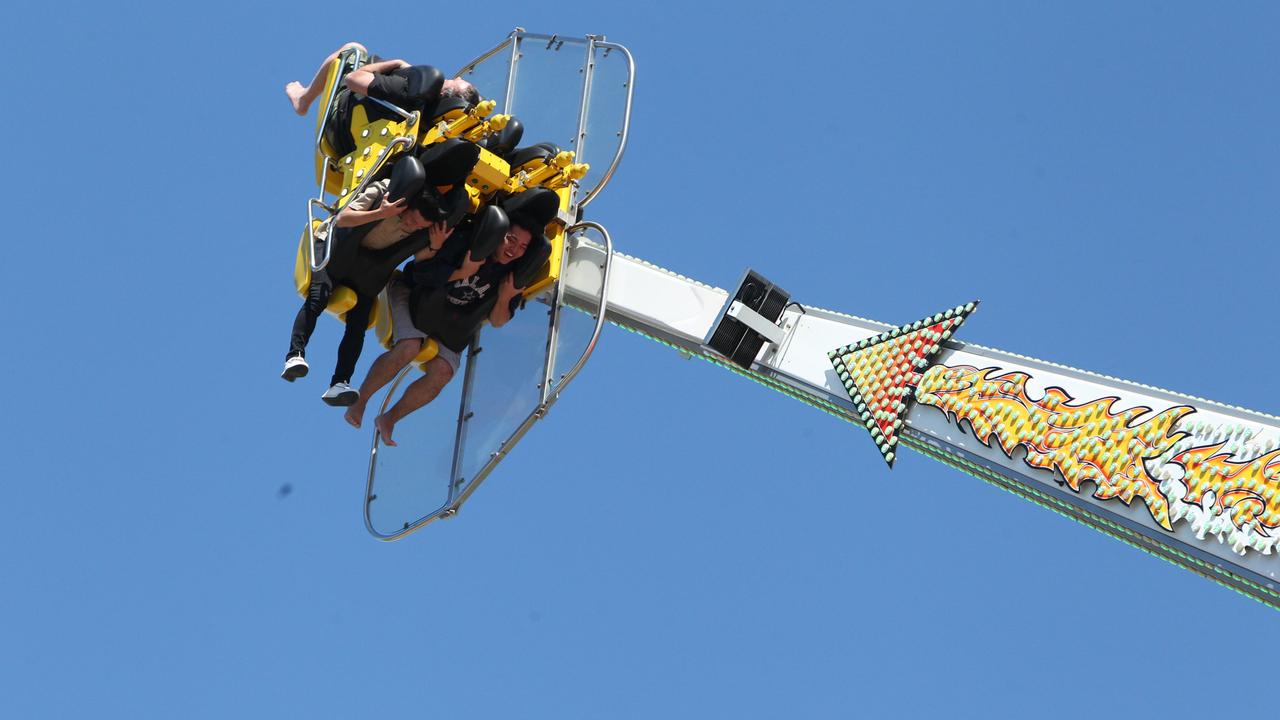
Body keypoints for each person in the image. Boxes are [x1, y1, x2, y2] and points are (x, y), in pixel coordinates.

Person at [342, 217, 535, 444]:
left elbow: (498, 321)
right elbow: (423, 272)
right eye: (511, 240)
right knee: (409, 347)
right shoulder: (467, 240)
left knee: (443, 373)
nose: (514, 250)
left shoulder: (512, 273)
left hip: (448, 319)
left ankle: (389, 419)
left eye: (523, 247)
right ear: (498, 233)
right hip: (415, 295)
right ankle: (360, 400)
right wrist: (463, 272)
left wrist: (504, 297)